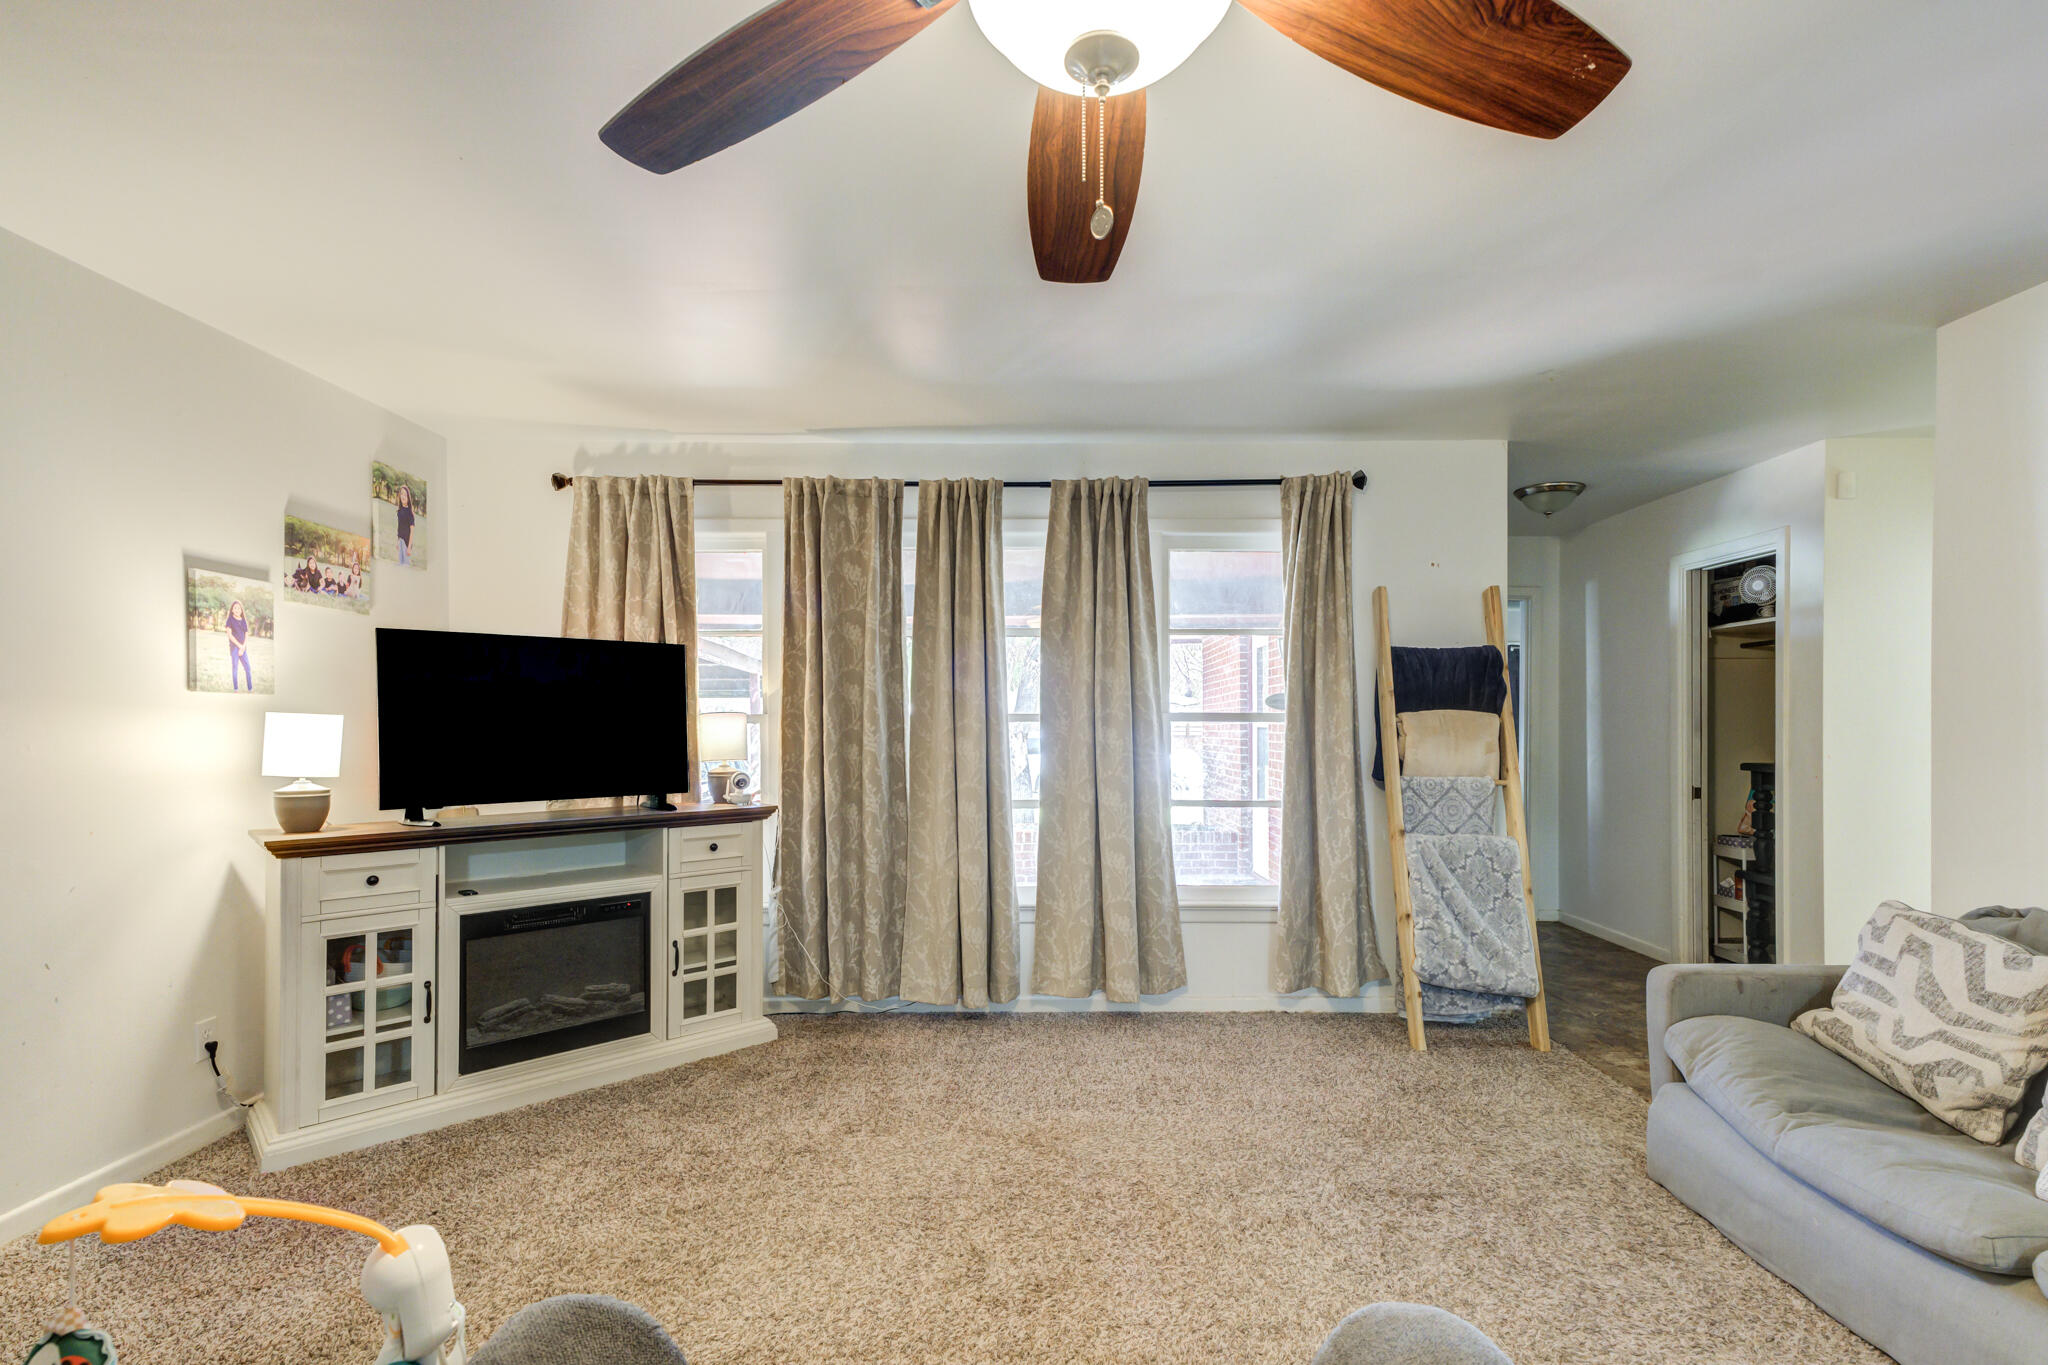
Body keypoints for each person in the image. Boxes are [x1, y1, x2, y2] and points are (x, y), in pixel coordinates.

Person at [225, 599, 253, 691]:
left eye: (239, 608)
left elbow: (246, 634)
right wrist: (239, 646)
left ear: (241, 610)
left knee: (248, 668)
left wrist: (243, 646)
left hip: (243, 648)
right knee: (235, 668)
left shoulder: (243, 620)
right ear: (232, 610)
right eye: (235, 608)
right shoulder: (230, 620)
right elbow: (229, 635)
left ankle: (250, 689)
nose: (237, 610)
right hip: (234, 648)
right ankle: (236, 689)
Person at [395, 483, 416, 565]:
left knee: (405, 565)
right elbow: (399, 528)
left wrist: (409, 547)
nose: (403, 496)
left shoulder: (410, 513)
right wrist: (398, 541)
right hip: (400, 541)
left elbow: (412, 531)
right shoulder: (399, 511)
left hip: (406, 543)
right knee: (400, 563)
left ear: (408, 498)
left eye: (405, 495)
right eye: (402, 494)